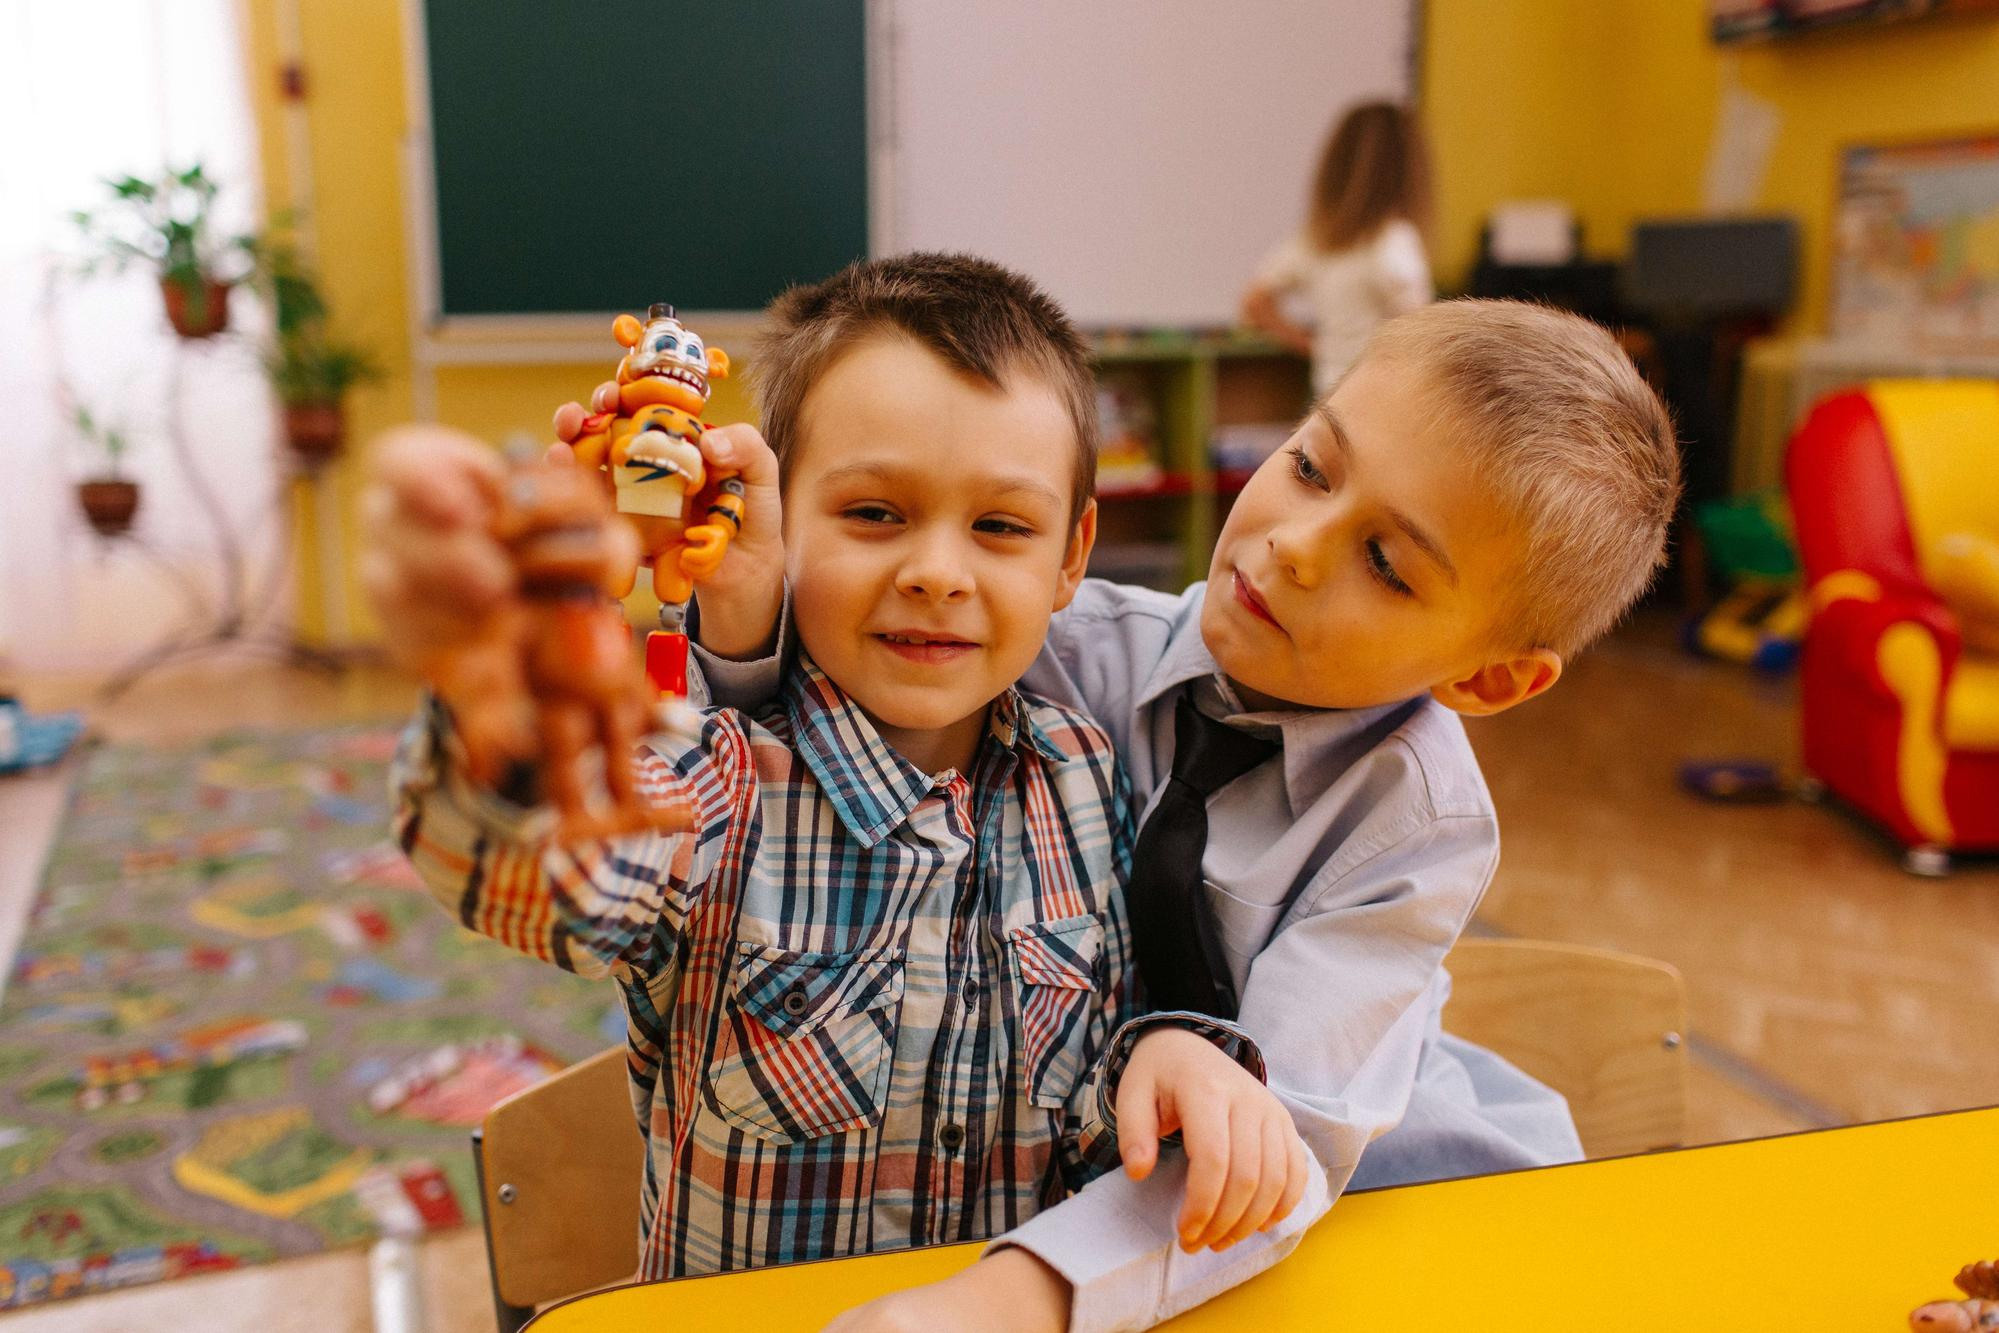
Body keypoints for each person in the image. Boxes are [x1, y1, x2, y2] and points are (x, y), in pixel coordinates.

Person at [694, 298, 1683, 1332]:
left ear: (1487, 679)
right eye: (1309, 465)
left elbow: (1275, 1149)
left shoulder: (1416, 824)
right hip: (1091, 1202)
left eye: (1386, 564)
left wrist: (1005, 1303)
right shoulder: (1075, 646)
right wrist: (738, 607)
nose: (1296, 544)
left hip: (1376, 1219)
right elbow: (811, 736)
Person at [363, 253, 1314, 1323]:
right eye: (873, 513)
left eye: (1000, 527)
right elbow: (529, 868)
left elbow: (1096, 1071)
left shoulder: (1084, 777)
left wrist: (1171, 1050)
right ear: (770, 518)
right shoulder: (720, 780)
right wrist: (504, 672)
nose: (938, 572)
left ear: (1070, 555)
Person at [1239, 100, 1434, 399]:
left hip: (1328, 394)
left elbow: (1254, 303)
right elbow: (1421, 333)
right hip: (1379, 399)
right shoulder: (1395, 241)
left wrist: (1310, 345)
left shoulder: (1315, 241)